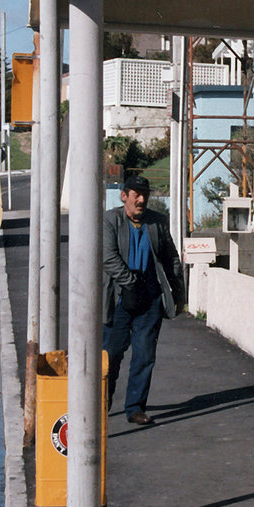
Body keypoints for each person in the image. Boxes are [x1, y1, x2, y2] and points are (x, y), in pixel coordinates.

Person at [102, 175, 185, 425]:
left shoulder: (157, 222)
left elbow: (171, 258)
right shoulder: (110, 221)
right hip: (119, 299)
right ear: (123, 196)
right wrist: (130, 282)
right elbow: (108, 257)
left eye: (144, 195)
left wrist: (179, 292)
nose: (141, 199)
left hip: (149, 299)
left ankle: (136, 407)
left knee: (145, 355)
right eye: (136, 194)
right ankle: (101, 405)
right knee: (111, 355)